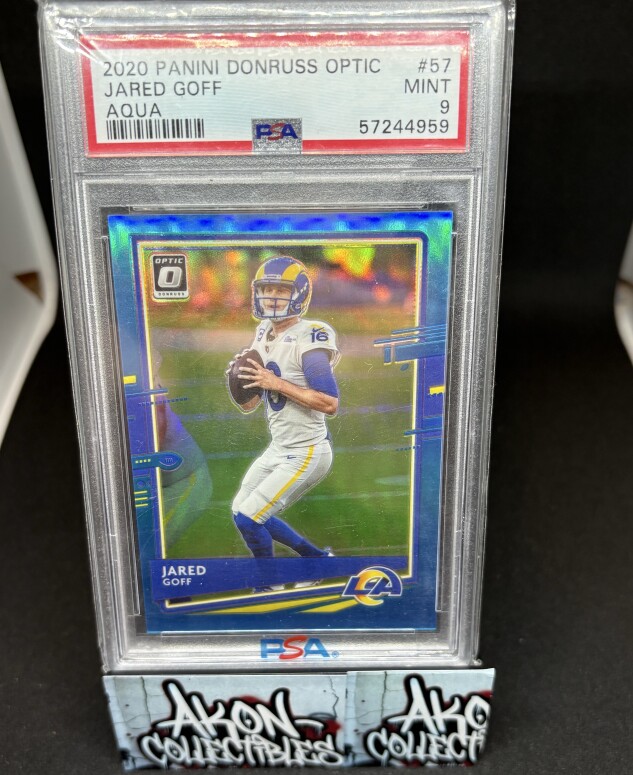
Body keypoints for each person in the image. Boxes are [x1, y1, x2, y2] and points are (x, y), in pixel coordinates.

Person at [228, 255, 340, 592]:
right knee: (240, 511)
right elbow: (250, 404)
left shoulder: (311, 335)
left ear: (299, 294)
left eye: (281, 290)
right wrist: (240, 381)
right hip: (280, 447)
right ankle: (316, 559)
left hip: (307, 451)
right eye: (267, 289)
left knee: (250, 517)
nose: (272, 297)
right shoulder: (263, 331)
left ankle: (268, 583)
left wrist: (275, 382)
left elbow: (330, 403)